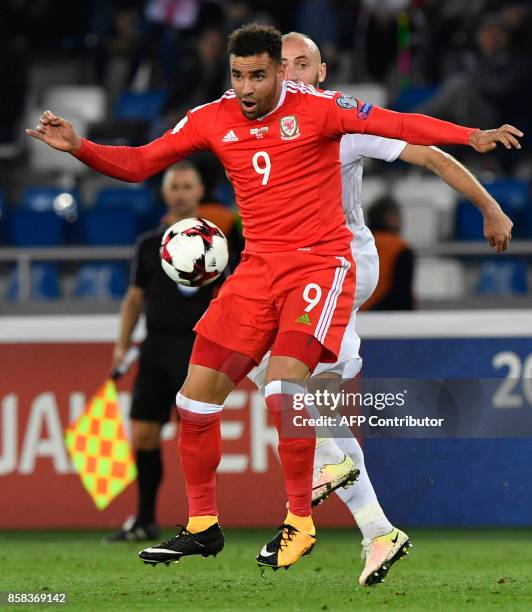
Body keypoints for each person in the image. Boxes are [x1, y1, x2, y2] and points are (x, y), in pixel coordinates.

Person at [26, 24, 521, 572]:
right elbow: (142, 162)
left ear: (283, 73)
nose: (246, 87)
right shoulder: (213, 117)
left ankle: (302, 520)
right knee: (196, 399)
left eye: (258, 75)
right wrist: (80, 149)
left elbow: (403, 125)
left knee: (290, 388)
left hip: (324, 264)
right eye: (238, 75)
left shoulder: (325, 110)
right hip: (257, 267)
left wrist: (469, 135)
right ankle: (205, 525)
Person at [246, 31, 514, 586]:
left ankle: (329, 454)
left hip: (342, 265)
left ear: (321, 74)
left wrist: (489, 206)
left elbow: (426, 151)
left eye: (304, 64)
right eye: (284, 65)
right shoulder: (254, 125)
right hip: (297, 273)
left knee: (290, 381)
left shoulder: (338, 122)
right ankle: (377, 530)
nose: (293, 73)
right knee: (284, 381)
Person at [107, 161, 240, 542]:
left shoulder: (218, 242)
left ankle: (200, 520)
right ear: (165, 193)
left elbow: (234, 294)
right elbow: (135, 299)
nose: (180, 192)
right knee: (144, 436)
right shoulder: (150, 245)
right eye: (174, 186)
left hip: (196, 345)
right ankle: (145, 519)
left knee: (194, 437)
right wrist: (121, 345)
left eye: (187, 185)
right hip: (155, 346)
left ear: (199, 192)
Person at [363, 195, 415, 311]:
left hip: (357, 312)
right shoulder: (400, 248)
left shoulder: (358, 245)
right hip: (391, 317)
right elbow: (401, 293)